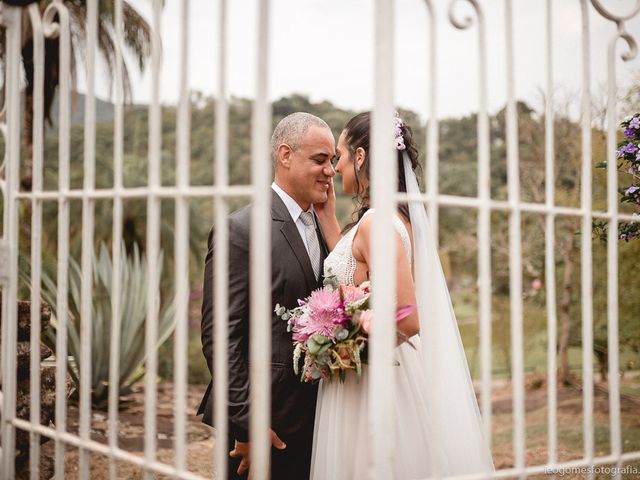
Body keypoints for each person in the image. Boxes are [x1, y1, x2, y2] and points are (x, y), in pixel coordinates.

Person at [312, 112, 495, 479]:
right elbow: (355, 269)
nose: (335, 169)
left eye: (340, 157)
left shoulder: (378, 221)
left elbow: (407, 317)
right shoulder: (394, 218)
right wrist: (329, 217)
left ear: (360, 157)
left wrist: (342, 339)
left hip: (376, 383)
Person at [197, 112, 336, 479]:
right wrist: (248, 425)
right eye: (320, 160)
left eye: (333, 160)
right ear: (285, 155)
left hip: (321, 420)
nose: (331, 171)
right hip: (265, 426)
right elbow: (221, 338)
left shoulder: (328, 231)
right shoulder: (240, 230)